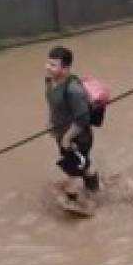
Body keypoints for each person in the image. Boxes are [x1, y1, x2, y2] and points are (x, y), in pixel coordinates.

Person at [45, 45, 100, 208]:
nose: (48, 67)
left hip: (78, 137)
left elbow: (83, 119)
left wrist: (68, 138)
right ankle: (95, 188)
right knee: (83, 166)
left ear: (66, 68)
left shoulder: (74, 90)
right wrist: (50, 121)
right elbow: (52, 103)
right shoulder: (50, 81)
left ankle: (81, 202)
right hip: (62, 134)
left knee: (73, 173)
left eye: (53, 65)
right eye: (48, 63)